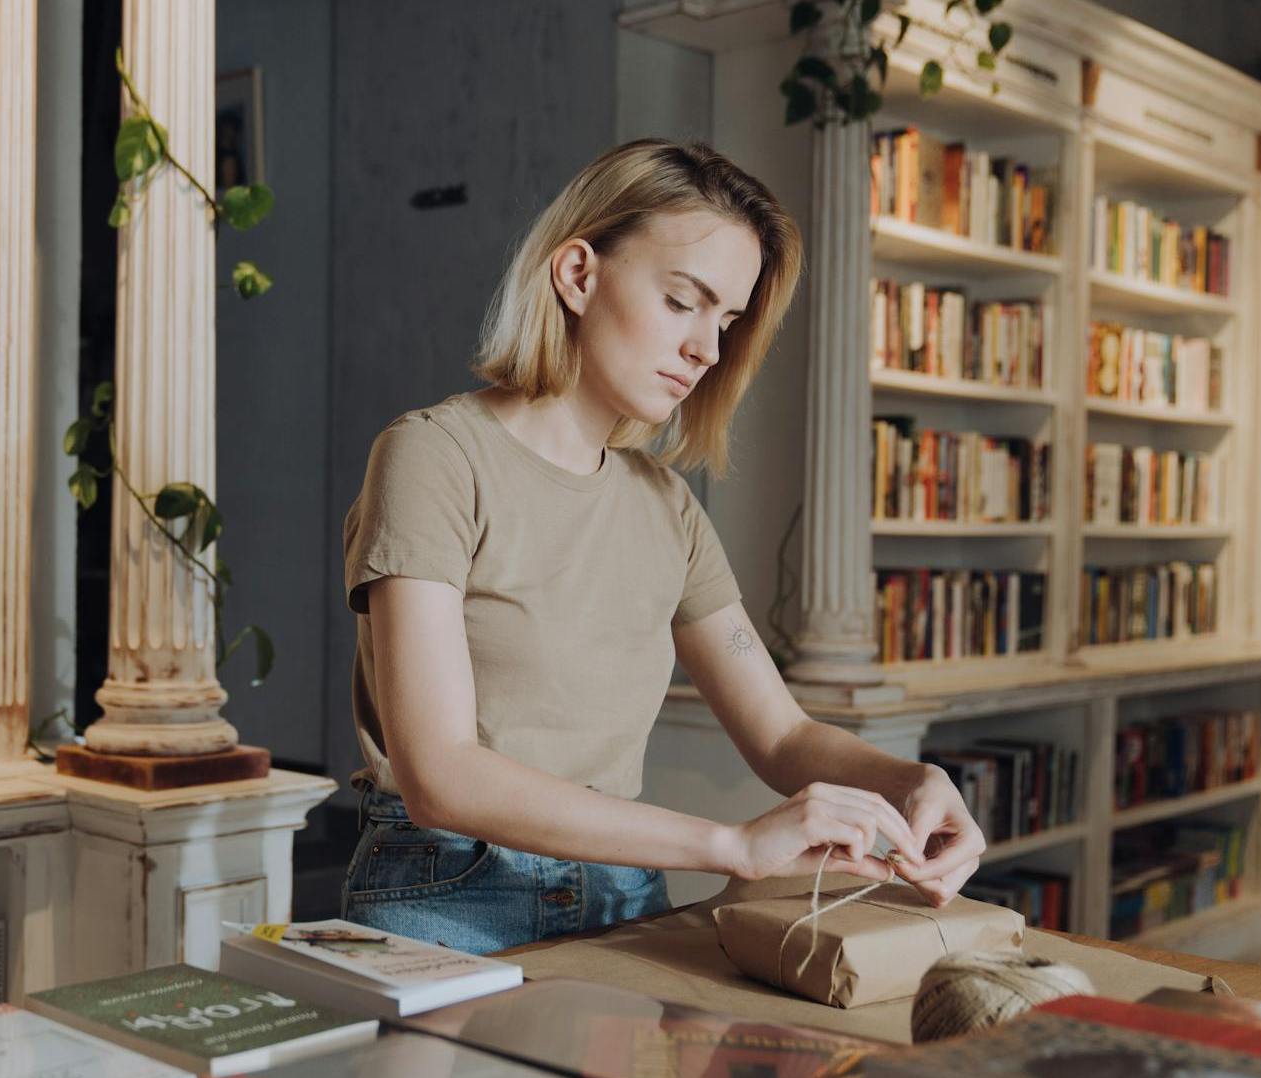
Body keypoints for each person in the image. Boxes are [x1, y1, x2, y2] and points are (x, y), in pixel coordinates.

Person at [339, 139, 984, 955]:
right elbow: (440, 776)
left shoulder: (667, 507)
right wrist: (730, 846)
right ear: (577, 275)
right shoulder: (433, 456)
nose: (708, 351)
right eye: (684, 301)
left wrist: (912, 782)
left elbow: (781, 736)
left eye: (727, 321)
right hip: (450, 894)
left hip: (625, 898)